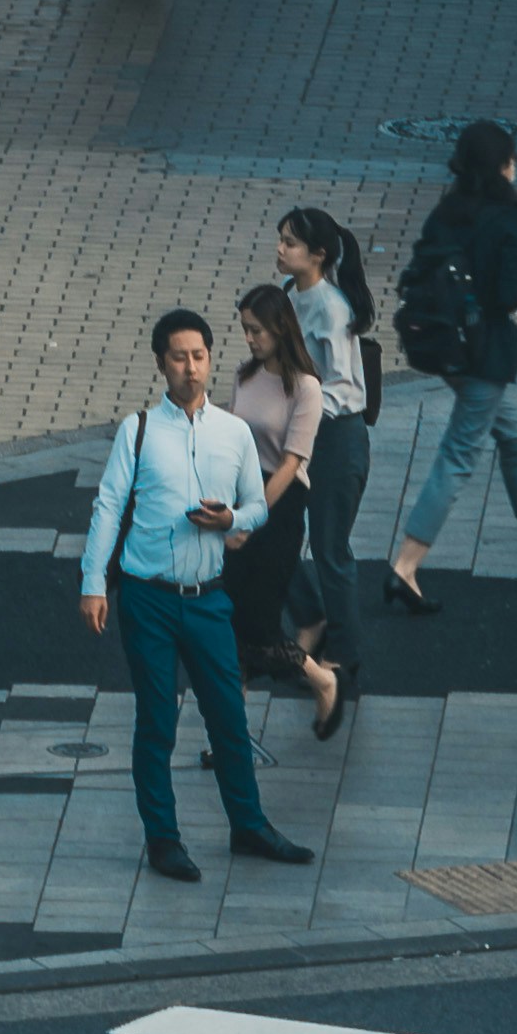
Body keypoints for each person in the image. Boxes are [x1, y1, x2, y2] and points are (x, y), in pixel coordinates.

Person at [78, 310, 314, 882]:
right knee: (156, 720)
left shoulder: (232, 433)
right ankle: (163, 838)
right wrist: (91, 584)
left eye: (200, 356)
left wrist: (232, 517)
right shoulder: (137, 431)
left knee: (228, 718)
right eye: (180, 357)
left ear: (211, 359)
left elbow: (258, 506)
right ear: (162, 363)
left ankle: (248, 825)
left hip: (209, 598)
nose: (191, 368)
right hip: (148, 597)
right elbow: (108, 506)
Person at [390, 127, 517, 597]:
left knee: (515, 441)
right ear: (503, 164)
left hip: (442, 346)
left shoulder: (447, 210)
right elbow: (504, 294)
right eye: (512, 158)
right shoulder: (509, 218)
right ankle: (406, 566)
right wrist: (514, 296)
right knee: (458, 455)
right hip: (484, 353)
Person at [218, 287, 348, 730]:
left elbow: (293, 461)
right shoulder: (244, 375)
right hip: (242, 496)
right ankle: (230, 733)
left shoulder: (306, 387)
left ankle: (322, 680)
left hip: (280, 507)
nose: (249, 339)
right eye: (245, 330)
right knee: (228, 622)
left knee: (261, 627)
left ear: (280, 328)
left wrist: (251, 517)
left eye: (256, 330)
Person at [274, 213, 380, 685]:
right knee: (273, 528)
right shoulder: (287, 293)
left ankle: (346, 649)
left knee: (328, 546)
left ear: (318, 255)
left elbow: (342, 388)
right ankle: (310, 615)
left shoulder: (332, 309)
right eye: (281, 240)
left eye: (290, 243)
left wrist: (299, 410)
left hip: (337, 439)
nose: (281, 249)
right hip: (302, 433)